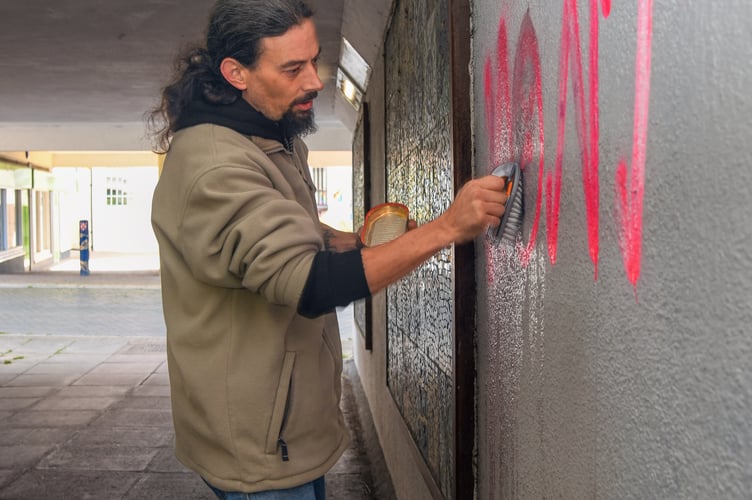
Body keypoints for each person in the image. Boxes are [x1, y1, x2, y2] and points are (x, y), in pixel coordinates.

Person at [148, 0, 508, 498]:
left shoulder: (265, 134)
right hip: (258, 442)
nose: (314, 81)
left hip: (282, 424)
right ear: (236, 73)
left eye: (313, 60)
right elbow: (313, 284)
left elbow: (275, 230)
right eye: (292, 68)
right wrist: (447, 228)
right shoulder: (217, 167)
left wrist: (346, 241)